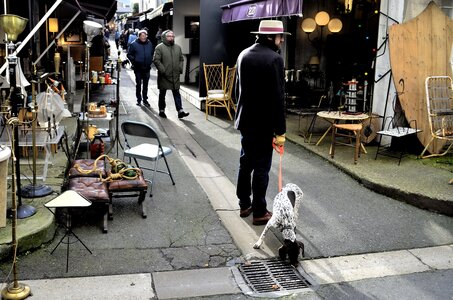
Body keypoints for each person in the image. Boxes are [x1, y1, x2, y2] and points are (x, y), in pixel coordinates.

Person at [234, 20, 288, 226]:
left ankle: (244, 204)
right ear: (269, 37)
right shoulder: (274, 59)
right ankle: (259, 211)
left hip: (246, 121)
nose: (281, 40)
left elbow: (238, 90)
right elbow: (277, 97)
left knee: (245, 163)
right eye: (279, 36)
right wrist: (280, 130)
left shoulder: (243, 54)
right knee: (262, 168)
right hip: (264, 124)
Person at [153, 30, 189, 119]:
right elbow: (156, 60)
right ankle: (162, 110)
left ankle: (180, 110)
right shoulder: (159, 47)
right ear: (164, 37)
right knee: (162, 93)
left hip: (175, 75)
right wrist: (163, 70)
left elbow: (181, 59)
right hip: (164, 75)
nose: (171, 38)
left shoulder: (177, 47)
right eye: (169, 36)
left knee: (176, 92)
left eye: (172, 36)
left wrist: (180, 69)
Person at [127, 29, 153, 107]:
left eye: (145, 36)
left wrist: (150, 60)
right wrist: (134, 61)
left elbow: (152, 53)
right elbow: (129, 54)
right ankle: (139, 99)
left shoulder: (149, 43)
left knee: (145, 85)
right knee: (138, 84)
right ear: (139, 36)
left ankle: (145, 99)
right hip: (138, 68)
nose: (143, 37)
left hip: (147, 68)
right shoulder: (133, 44)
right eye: (142, 36)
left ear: (146, 36)